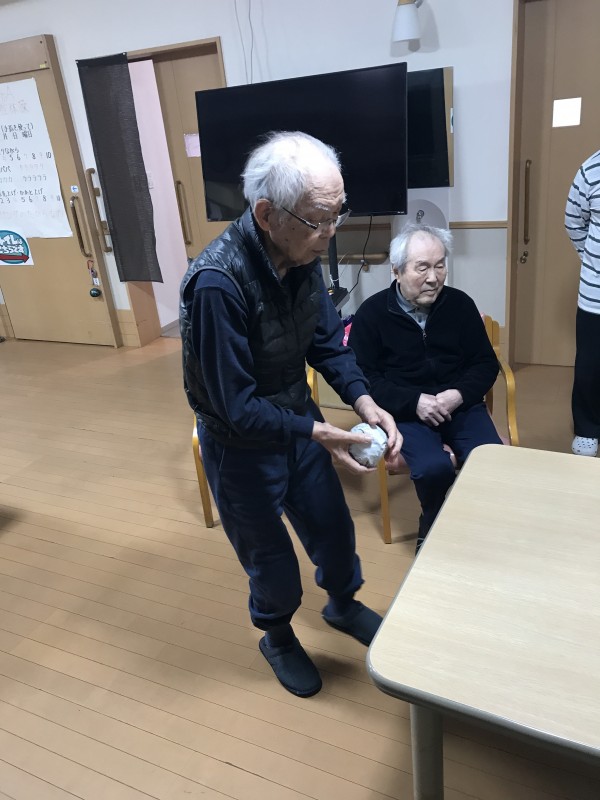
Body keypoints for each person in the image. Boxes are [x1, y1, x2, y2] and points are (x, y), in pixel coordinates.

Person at [179, 131, 401, 698]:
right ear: (266, 214)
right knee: (271, 562)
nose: (331, 232)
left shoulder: (301, 254)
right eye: (319, 220)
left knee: (333, 530)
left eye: (337, 214)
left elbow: (327, 343)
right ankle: (276, 636)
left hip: (299, 423)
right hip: (238, 444)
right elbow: (235, 406)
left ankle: (342, 605)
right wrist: (322, 433)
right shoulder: (217, 284)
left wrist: (364, 401)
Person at [348, 223, 502, 551]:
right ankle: (431, 521)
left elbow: (485, 364)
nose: (434, 277)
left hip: (460, 405)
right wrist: (414, 401)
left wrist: (457, 395)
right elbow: (365, 378)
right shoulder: (372, 314)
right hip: (405, 412)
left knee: (490, 462)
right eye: (422, 267)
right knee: (432, 469)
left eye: (440, 265)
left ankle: (478, 523)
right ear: (396, 270)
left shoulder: (460, 305)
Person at [564, 151, 600, 457]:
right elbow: (574, 223)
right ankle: (587, 429)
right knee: (590, 365)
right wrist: (592, 259)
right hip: (595, 295)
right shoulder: (591, 169)